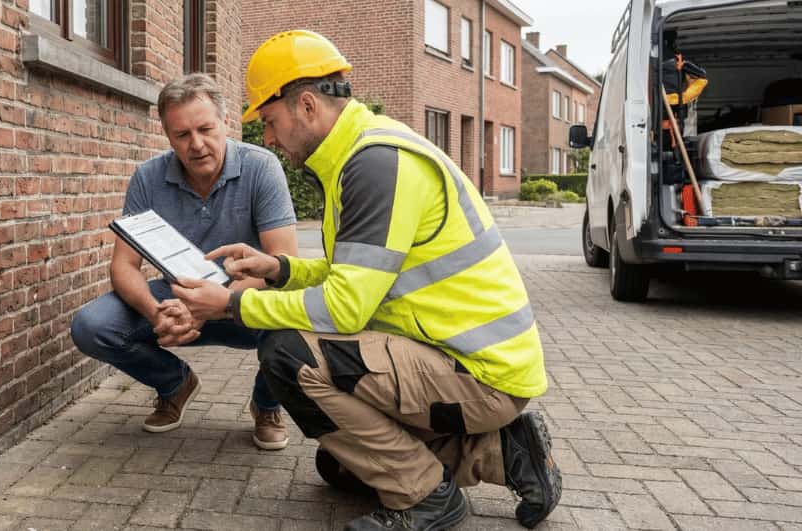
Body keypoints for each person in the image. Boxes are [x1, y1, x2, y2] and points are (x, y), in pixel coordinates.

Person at [163, 31, 561, 531]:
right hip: (458, 354)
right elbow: (354, 274)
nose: (266, 138)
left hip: (477, 371)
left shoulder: (375, 165)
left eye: (269, 121)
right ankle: (504, 451)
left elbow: (344, 309)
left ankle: (425, 499)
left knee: (288, 356)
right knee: (343, 465)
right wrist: (279, 270)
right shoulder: (360, 154)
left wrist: (228, 305)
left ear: (306, 105)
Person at [70, 73, 299, 449]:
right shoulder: (148, 177)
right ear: (167, 135)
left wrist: (215, 305)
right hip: (176, 299)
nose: (196, 145)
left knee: (297, 321)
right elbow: (123, 266)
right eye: (182, 135)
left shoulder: (262, 167)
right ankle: (173, 383)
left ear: (226, 123)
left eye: (206, 129)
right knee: (92, 326)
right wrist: (155, 312)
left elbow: (283, 264)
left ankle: (267, 404)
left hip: (245, 299)